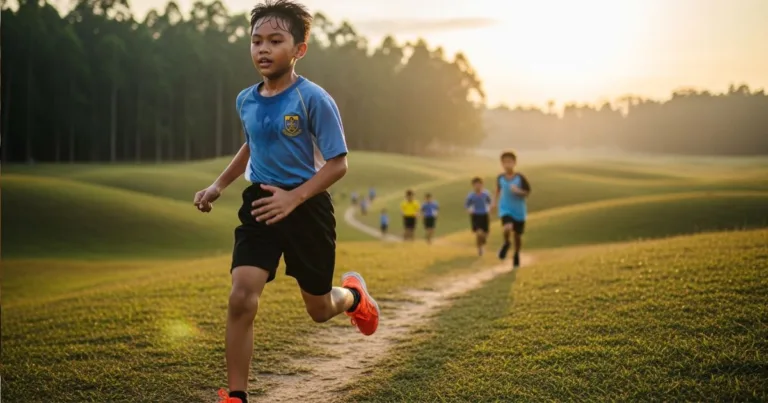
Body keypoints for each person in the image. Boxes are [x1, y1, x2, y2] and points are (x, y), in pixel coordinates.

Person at [193, 3, 380, 402]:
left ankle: (355, 297)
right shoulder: (246, 99)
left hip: (307, 207)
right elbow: (251, 144)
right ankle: (236, 396)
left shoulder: (314, 99)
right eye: (256, 40)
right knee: (241, 297)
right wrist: (218, 186)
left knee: (319, 308)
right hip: (260, 204)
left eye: (275, 41)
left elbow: (338, 164)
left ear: (299, 49)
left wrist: (294, 198)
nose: (263, 49)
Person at [493, 150, 531, 268]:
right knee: (507, 227)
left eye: (509, 162)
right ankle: (506, 243)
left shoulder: (520, 178)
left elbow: (527, 192)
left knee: (517, 236)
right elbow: (498, 190)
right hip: (505, 208)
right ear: (502, 164)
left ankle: (516, 254)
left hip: (519, 210)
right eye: (504, 162)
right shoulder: (500, 177)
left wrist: (518, 191)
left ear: (514, 163)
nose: (507, 164)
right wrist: (494, 202)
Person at [465, 177, 493, 256]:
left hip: (485, 214)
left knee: (485, 234)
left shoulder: (486, 194)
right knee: (478, 233)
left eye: (479, 184)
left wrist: (490, 211)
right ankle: (480, 249)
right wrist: (469, 210)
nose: (478, 186)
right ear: (473, 186)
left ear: (482, 185)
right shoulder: (471, 196)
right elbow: (467, 205)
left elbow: (490, 203)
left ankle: (483, 241)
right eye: (475, 185)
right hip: (475, 215)